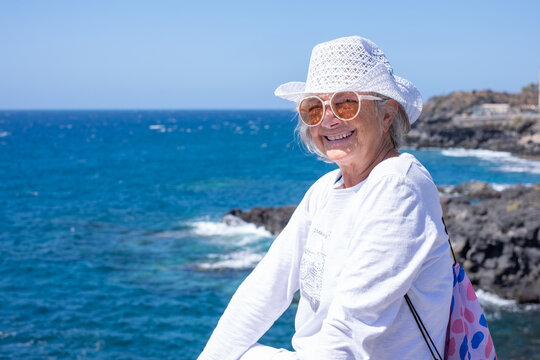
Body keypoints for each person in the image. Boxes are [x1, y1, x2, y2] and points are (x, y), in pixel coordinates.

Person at [198, 36, 453, 359]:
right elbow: (264, 289)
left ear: (387, 114)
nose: (329, 119)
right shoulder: (325, 190)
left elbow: (350, 329)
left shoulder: (398, 185)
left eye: (346, 103)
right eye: (314, 108)